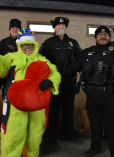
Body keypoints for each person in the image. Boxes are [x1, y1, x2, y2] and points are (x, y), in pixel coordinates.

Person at [0, 28, 61, 157]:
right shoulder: (12, 58)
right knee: (13, 135)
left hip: (36, 105)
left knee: (34, 136)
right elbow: (0, 69)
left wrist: (51, 81)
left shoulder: (42, 60)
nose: (27, 47)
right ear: (20, 46)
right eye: (24, 45)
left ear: (34, 46)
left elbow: (55, 73)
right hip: (16, 104)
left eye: (30, 45)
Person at [71, 26, 114, 157]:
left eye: (106, 34)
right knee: (95, 125)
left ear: (109, 37)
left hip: (111, 96)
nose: (103, 36)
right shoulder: (86, 52)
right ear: (96, 37)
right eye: (100, 34)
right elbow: (73, 67)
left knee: (113, 127)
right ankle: (95, 148)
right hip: (92, 97)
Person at [39, 16, 83, 147]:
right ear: (54, 27)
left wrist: (72, 69)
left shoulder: (73, 43)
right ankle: (52, 136)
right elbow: (41, 61)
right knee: (53, 110)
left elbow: (80, 59)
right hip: (54, 83)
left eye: (63, 25)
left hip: (69, 82)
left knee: (68, 110)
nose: (61, 27)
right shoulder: (48, 43)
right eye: (58, 25)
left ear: (66, 27)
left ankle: (69, 134)